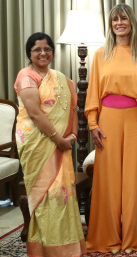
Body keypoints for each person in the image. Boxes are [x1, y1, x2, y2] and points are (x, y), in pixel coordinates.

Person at [85, 4, 137, 254]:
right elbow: (93, 90)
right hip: (108, 122)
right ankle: (107, 239)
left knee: (134, 182)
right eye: (115, 19)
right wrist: (93, 124)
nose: (119, 23)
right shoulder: (100, 54)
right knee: (108, 182)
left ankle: (133, 239)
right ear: (110, 24)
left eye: (124, 18)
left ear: (131, 22)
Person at [14, 32, 86, 256]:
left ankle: (67, 246)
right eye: (37, 49)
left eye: (47, 49)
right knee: (46, 194)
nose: (43, 53)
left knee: (63, 192)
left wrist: (72, 136)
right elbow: (35, 114)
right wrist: (59, 139)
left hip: (62, 143)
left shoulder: (63, 78)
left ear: (52, 52)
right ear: (29, 53)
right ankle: (46, 248)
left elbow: (72, 108)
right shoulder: (26, 76)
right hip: (37, 144)